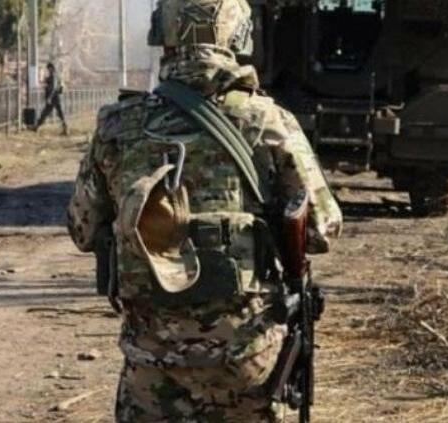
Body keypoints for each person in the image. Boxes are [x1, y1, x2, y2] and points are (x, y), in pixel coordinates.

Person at [66, 0, 344, 421]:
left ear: (163, 38)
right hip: (248, 362)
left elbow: (82, 229)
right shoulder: (270, 122)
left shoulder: (118, 126)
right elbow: (323, 228)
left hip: (152, 368)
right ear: (240, 38)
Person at [34, 62, 68, 135]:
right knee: (58, 113)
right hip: (56, 97)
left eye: (48, 68)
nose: (48, 70)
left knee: (46, 113)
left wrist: (49, 98)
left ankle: (37, 126)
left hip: (53, 98)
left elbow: (53, 88)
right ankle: (37, 126)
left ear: (51, 68)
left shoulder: (53, 76)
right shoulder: (56, 75)